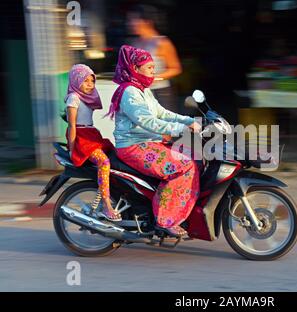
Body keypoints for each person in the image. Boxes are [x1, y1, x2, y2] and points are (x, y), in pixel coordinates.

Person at [107, 45, 201, 237]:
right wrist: (179, 129)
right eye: (149, 67)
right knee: (183, 167)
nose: (153, 71)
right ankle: (165, 220)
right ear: (135, 68)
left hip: (147, 143)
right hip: (133, 147)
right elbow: (147, 121)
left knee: (191, 155)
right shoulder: (129, 92)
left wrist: (189, 120)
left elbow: (162, 113)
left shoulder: (143, 90)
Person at [65, 64, 121, 222]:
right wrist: (72, 148)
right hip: (81, 136)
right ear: (76, 81)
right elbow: (72, 125)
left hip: (92, 133)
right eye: (85, 81)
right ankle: (105, 205)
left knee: (118, 158)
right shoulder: (73, 98)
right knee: (104, 162)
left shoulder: (86, 96)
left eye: (92, 81)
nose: (90, 84)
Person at [127, 5, 182, 113]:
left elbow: (176, 68)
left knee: (163, 127)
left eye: (133, 19)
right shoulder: (135, 43)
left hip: (160, 93)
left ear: (147, 22)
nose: (130, 23)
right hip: (140, 94)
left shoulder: (162, 43)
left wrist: (155, 78)